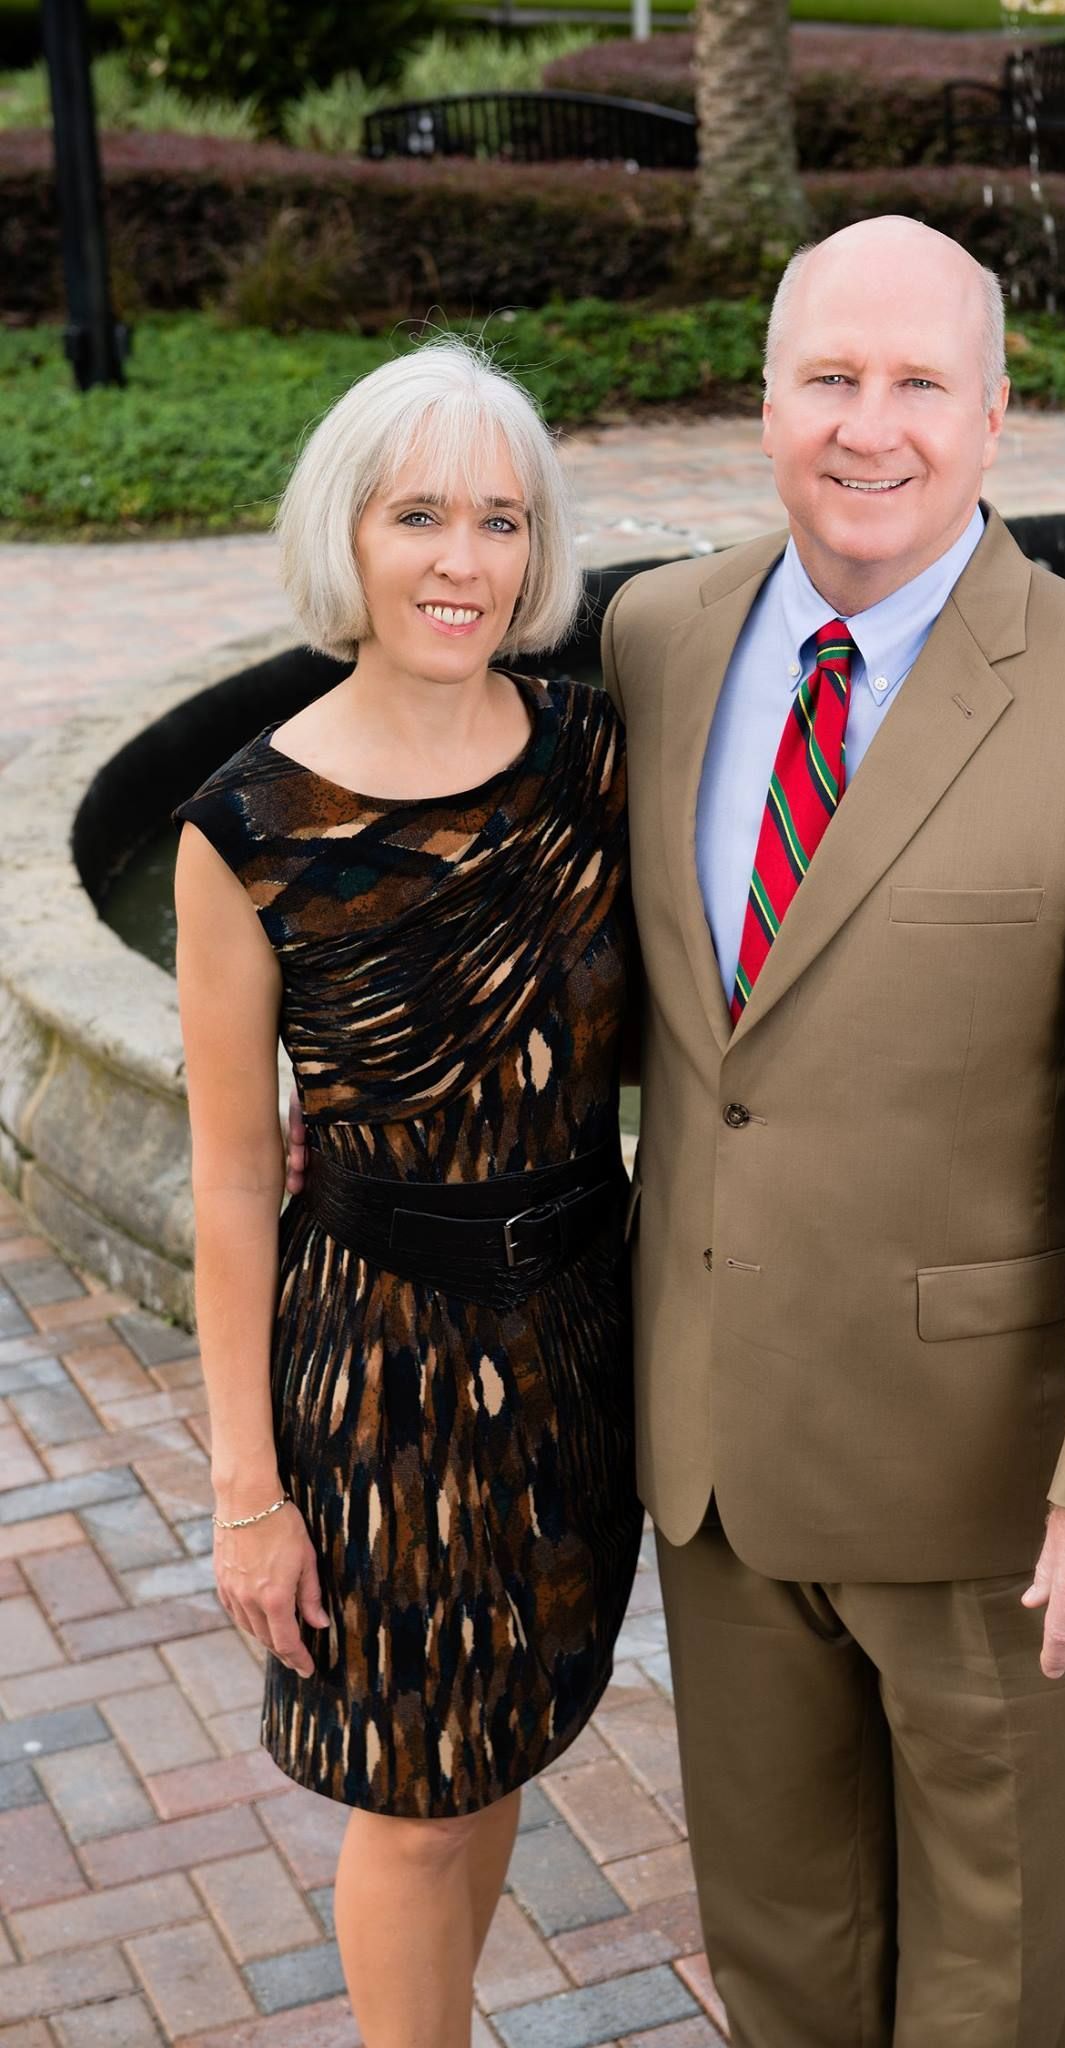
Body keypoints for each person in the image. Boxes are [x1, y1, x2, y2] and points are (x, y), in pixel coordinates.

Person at [599, 217, 1065, 2046]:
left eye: (916, 384)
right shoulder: (659, 637)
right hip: (721, 1461)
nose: (866, 426)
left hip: (989, 1491)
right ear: (763, 406)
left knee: (993, 1974)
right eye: (828, 378)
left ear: (996, 418)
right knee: (780, 1955)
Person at [174, 336, 641, 2048]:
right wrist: (245, 1491)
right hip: (384, 1368)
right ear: (347, 538)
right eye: (420, 515)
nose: (464, 559)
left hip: (581, 1338)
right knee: (417, 1791)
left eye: (501, 520)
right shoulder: (245, 830)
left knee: (499, 1737)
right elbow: (231, 1175)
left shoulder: (595, 758)